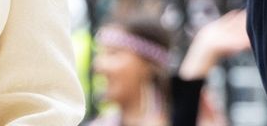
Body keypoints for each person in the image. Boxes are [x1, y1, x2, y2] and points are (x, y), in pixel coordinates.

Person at [89, 10, 251, 126]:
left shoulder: (191, 116)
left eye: (113, 54)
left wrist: (203, 52)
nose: (98, 65)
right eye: (100, 54)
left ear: (148, 65)